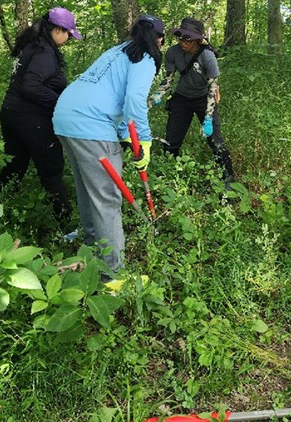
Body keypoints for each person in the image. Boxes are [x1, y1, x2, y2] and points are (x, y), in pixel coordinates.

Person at [52, 14, 164, 276]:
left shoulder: (117, 51)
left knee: (88, 188)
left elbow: (116, 95)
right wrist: (143, 140)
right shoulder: (145, 58)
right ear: (158, 40)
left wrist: (127, 134)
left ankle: (91, 246)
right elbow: (134, 99)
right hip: (90, 125)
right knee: (107, 198)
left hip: (65, 117)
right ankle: (112, 274)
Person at [0, 7, 82, 243]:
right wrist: (60, 103)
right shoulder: (44, 52)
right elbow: (31, 86)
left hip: (11, 113)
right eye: (67, 34)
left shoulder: (32, 44)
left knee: (14, 165)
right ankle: (65, 228)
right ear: (57, 30)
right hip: (32, 120)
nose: (68, 39)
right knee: (52, 170)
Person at [150, 17, 235, 187]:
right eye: (180, 37)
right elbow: (169, 79)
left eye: (187, 39)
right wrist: (158, 94)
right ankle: (170, 173)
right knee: (172, 138)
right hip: (182, 98)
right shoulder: (173, 53)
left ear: (197, 39)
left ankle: (228, 176)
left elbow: (212, 88)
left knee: (215, 140)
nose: (183, 42)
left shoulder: (207, 56)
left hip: (203, 98)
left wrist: (208, 117)